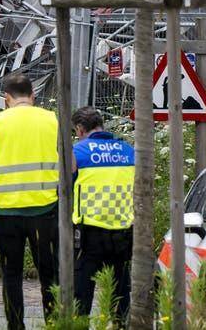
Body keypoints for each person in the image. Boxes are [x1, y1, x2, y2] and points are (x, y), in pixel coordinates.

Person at [0, 73, 60, 330]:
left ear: (6, 98)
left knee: (11, 275)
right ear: (33, 96)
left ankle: (15, 325)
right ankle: (55, 323)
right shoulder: (52, 119)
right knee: (49, 275)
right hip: (45, 211)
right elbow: (70, 163)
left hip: (7, 212)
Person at [70, 107, 133, 323]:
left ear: (80, 129)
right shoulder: (127, 150)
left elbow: (64, 188)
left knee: (82, 291)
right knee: (121, 292)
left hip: (89, 232)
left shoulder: (77, 152)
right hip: (124, 230)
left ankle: (80, 326)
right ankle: (120, 326)